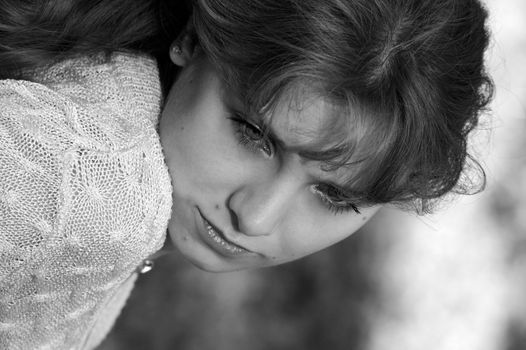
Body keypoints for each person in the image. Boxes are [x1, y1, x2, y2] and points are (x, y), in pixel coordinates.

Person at [0, 0, 493, 348]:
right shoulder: (99, 188)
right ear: (192, 41)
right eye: (253, 134)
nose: (255, 218)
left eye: (335, 196)